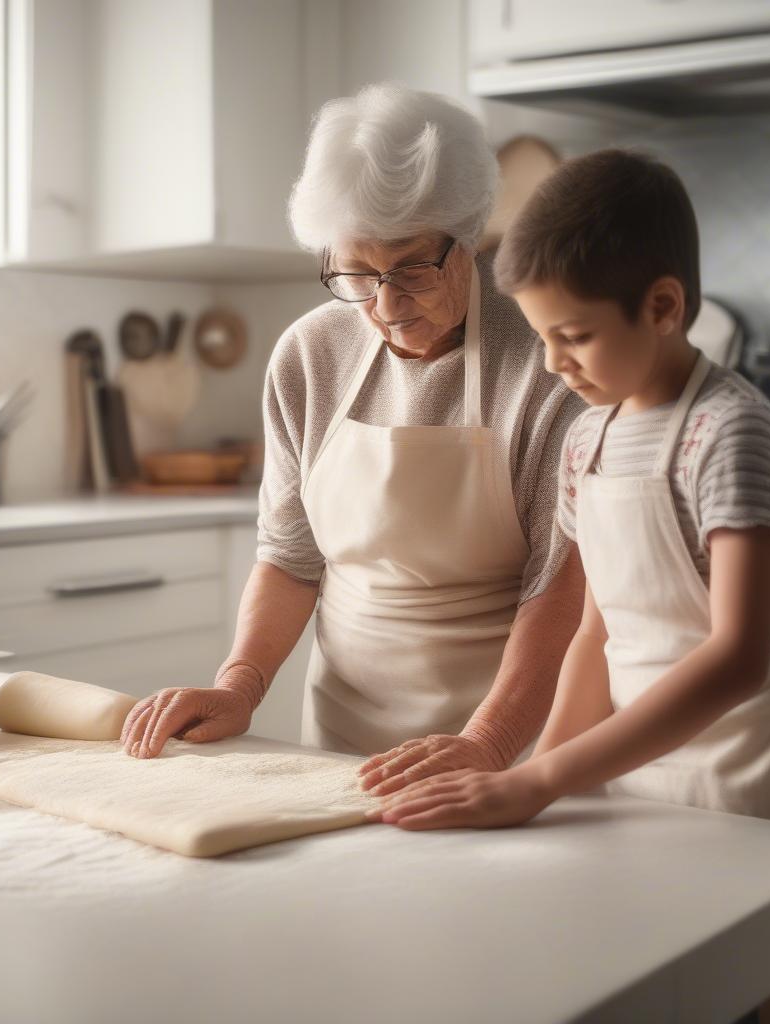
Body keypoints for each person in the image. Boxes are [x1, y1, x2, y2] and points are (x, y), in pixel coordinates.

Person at [374, 148, 770, 1024]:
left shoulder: (730, 433)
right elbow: (598, 632)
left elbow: (735, 659)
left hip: (751, 773)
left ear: (663, 306)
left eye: (573, 336)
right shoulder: (588, 440)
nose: (553, 364)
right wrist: (548, 768)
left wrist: (536, 782)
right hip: (633, 763)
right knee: (667, 979)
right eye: (542, 336)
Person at [121, 82, 586, 789]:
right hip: (341, 747)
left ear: (468, 243)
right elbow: (290, 557)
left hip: (507, 747)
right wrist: (240, 685)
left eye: (411, 269)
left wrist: (490, 746)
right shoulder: (310, 356)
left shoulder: (544, 362)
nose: (388, 305)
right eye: (357, 274)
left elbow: (558, 588)